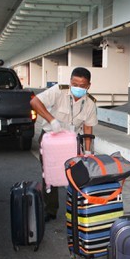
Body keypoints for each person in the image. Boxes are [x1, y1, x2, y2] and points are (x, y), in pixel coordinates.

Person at [30, 67, 98, 222]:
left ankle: (75, 207)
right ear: (70, 82)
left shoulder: (90, 103)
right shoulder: (58, 91)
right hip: (51, 139)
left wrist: (88, 151)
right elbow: (34, 101)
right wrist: (51, 120)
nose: (78, 88)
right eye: (75, 84)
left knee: (76, 175)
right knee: (50, 174)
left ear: (88, 86)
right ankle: (50, 210)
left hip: (72, 142)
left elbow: (88, 128)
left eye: (82, 86)